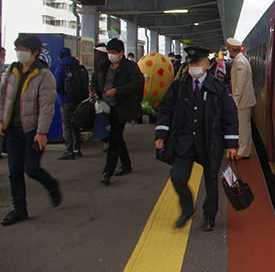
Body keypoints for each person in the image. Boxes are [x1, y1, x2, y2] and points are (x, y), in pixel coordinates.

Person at [155, 46, 238, 231]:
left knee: (211, 180)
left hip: (209, 143)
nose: (193, 67)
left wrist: (231, 144)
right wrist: (161, 134)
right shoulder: (179, 86)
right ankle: (187, 208)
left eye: (197, 63)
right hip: (184, 142)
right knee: (177, 176)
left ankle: (209, 216)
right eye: (191, 63)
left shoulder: (218, 87)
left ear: (207, 64)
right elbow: (165, 109)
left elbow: (229, 115)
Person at [0, 34, 62, 225]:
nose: (20, 53)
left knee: (32, 169)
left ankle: (51, 185)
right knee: (14, 171)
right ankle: (19, 209)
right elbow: (2, 96)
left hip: (32, 131)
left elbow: (46, 106)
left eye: (24, 49)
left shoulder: (44, 75)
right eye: (18, 48)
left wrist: (41, 132)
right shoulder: (12, 70)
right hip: (13, 129)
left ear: (35, 52)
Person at [91, 38, 144, 185]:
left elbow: (137, 83)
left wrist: (118, 91)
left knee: (114, 139)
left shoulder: (130, 67)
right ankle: (126, 164)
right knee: (117, 137)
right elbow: (94, 81)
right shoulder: (103, 66)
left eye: (114, 53)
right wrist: (95, 92)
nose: (111, 55)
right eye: (109, 52)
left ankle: (107, 173)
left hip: (121, 108)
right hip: (104, 108)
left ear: (121, 53)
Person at [227, 38, 256, 160]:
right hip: (244, 100)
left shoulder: (239, 62)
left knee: (244, 127)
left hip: (243, 101)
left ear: (230, 50)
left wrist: (235, 101)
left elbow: (240, 84)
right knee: (243, 125)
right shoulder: (240, 60)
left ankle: (244, 152)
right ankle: (243, 148)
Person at [55, 47, 86, 160]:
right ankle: (77, 150)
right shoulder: (78, 67)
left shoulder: (60, 68)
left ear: (59, 58)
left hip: (65, 101)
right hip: (78, 100)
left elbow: (57, 86)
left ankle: (69, 151)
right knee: (76, 126)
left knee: (67, 126)